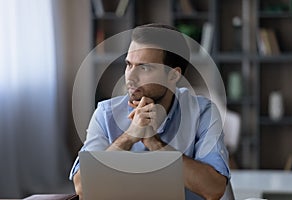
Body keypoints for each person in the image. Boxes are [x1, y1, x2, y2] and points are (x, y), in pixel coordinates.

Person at [69, 23, 230, 200]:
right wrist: (129, 137)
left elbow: (214, 189)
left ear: (173, 75)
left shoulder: (202, 112)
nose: (130, 77)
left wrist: (154, 142)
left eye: (144, 67)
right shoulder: (105, 113)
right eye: (129, 65)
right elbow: (82, 188)